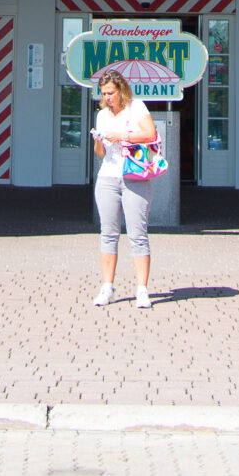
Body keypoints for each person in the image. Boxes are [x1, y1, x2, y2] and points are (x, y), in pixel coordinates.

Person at [89, 67, 158, 309]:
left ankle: (142, 290)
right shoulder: (102, 116)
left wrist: (124, 136)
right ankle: (107, 287)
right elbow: (101, 154)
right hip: (107, 176)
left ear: (121, 90)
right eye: (103, 93)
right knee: (108, 233)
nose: (107, 98)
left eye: (111, 93)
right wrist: (99, 141)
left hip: (135, 176)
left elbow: (151, 133)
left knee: (137, 234)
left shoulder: (135, 107)